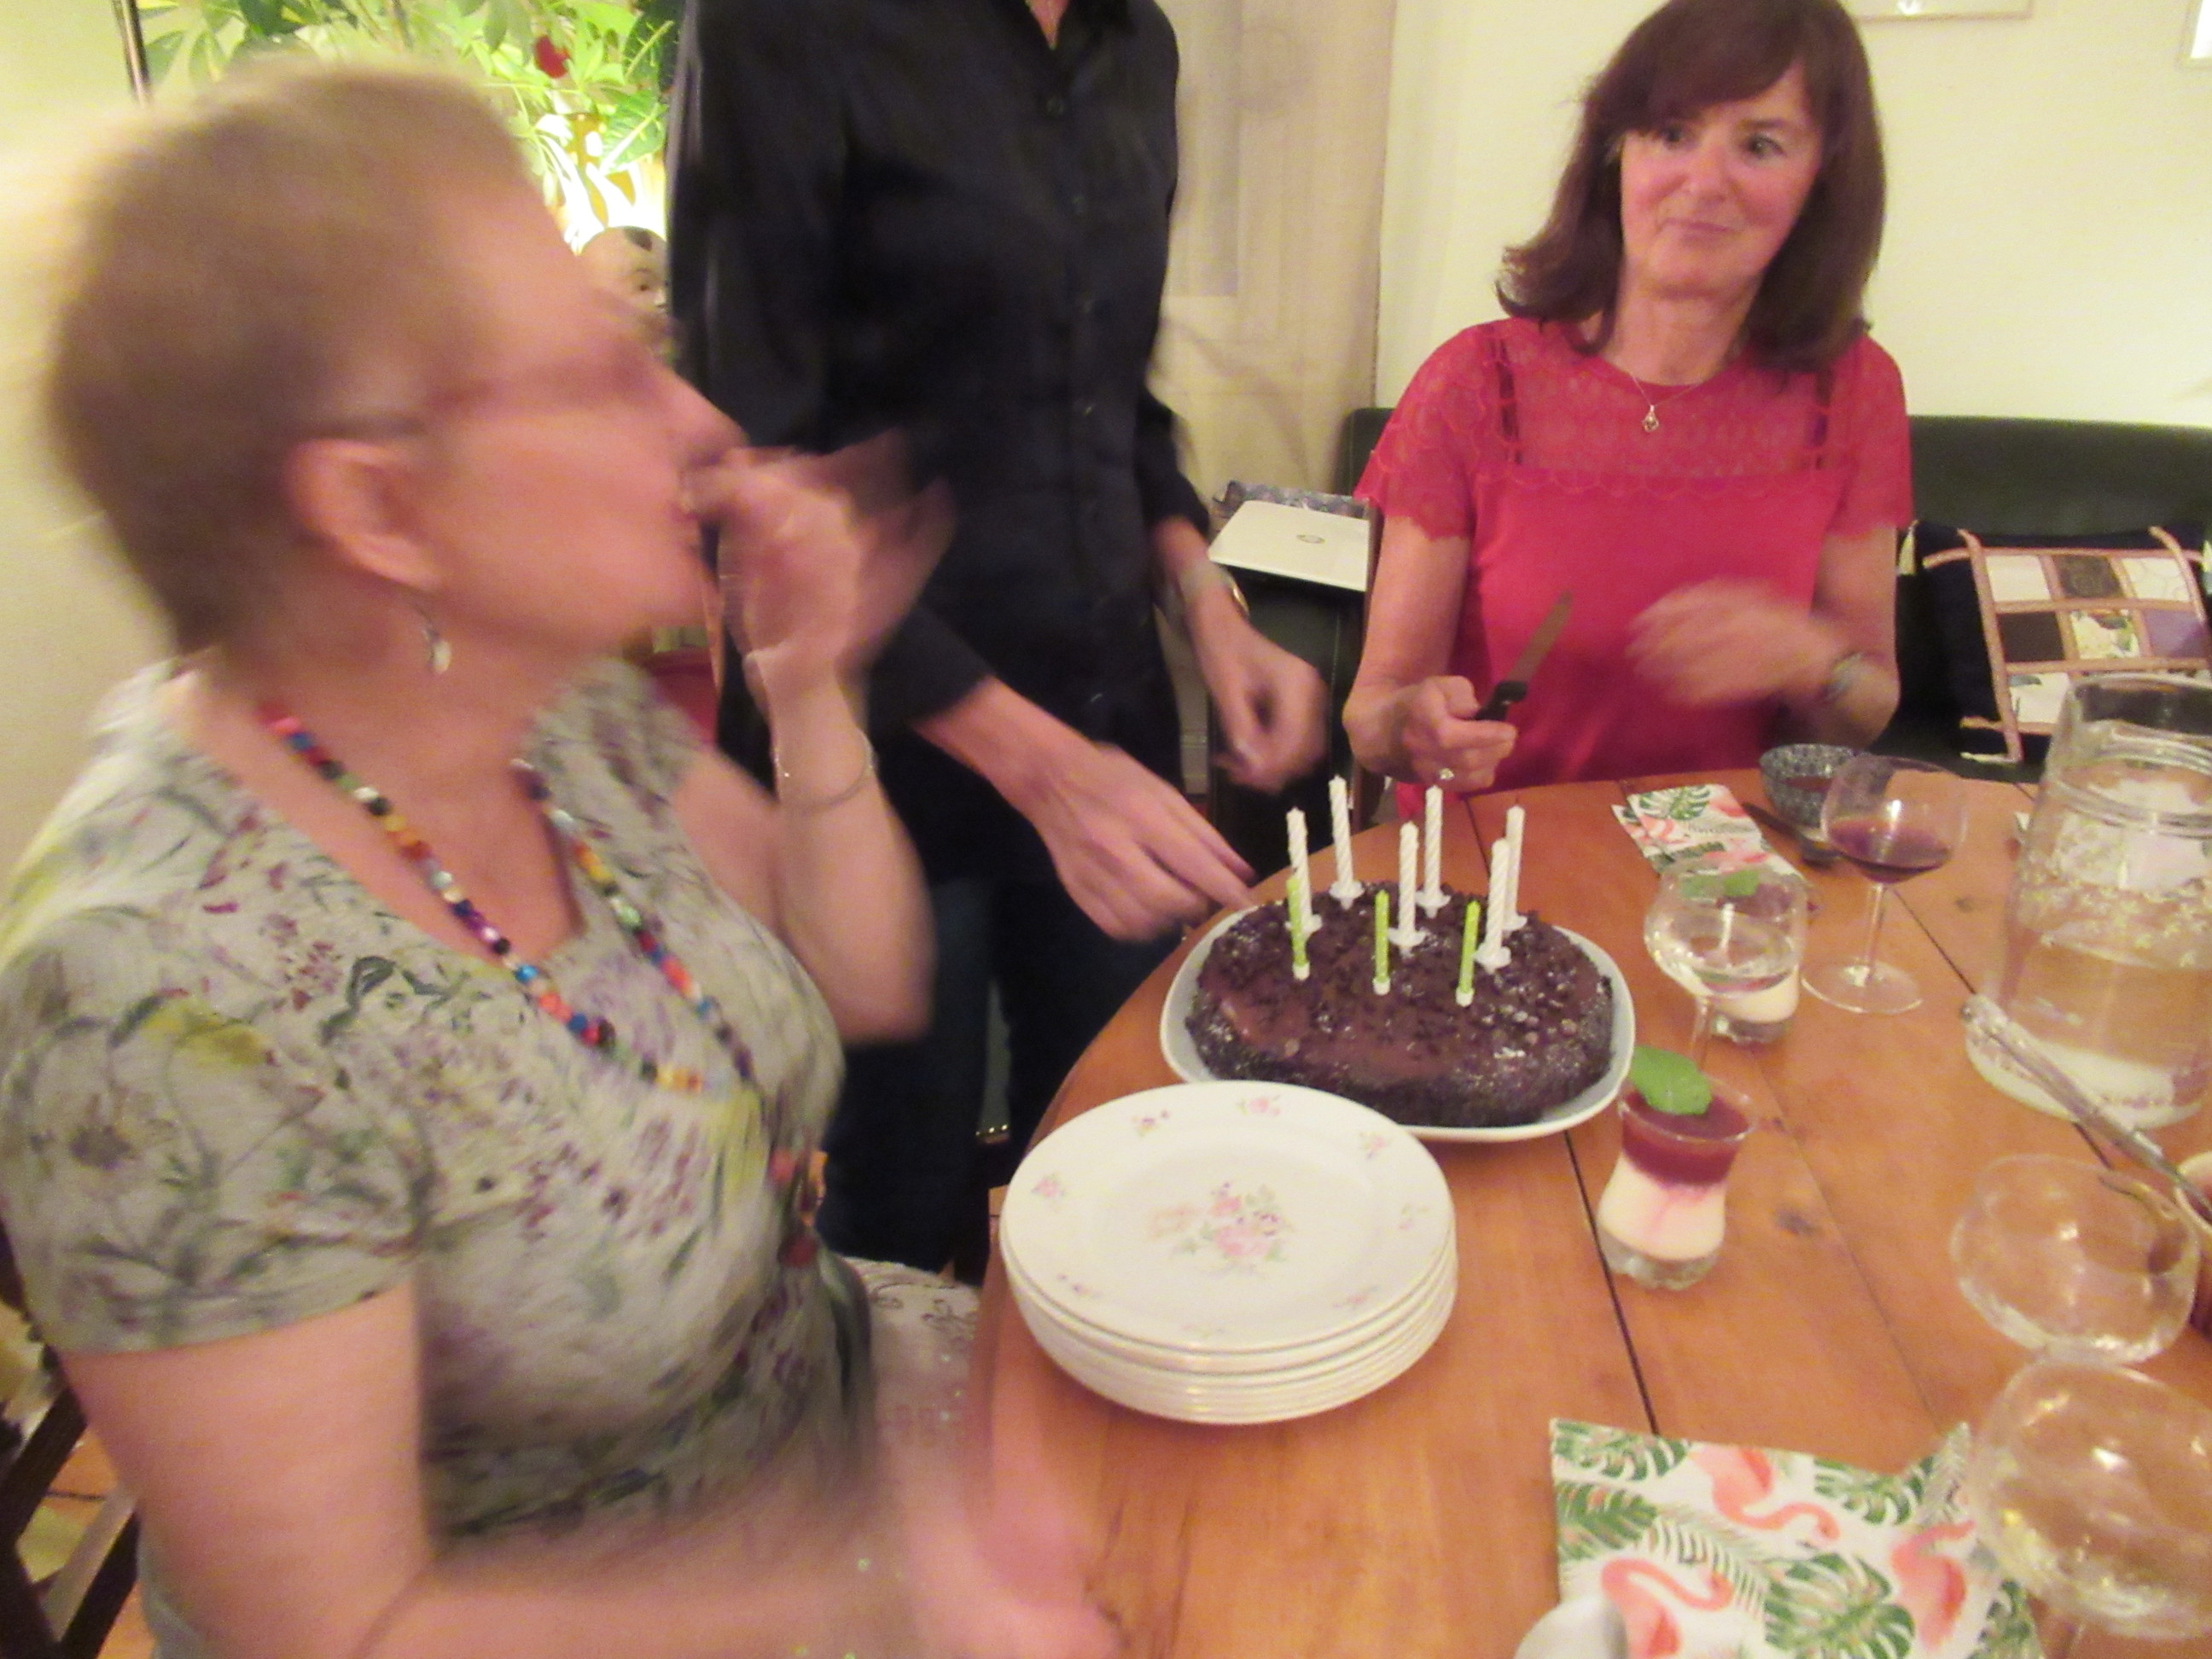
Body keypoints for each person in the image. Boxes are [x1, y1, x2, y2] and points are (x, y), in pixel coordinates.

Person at [0, 63, 1109, 1659]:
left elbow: (865, 977)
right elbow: (344, 1630)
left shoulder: (541, 706)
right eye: (607, 374)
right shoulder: (156, 1000)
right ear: (377, 505)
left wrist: (810, 685)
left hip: (835, 1437)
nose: (705, 424)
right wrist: (884, 1587)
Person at [668, 0, 1329, 1277]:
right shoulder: (780, 27)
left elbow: (1111, 399)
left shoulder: (1136, 45)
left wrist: (1207, 599)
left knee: (1116, 1153)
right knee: (897, 1200)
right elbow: (745, 471)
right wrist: (1034, 763)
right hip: (871, 758)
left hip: (1105, 724)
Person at [1345, 0, 1909, 798]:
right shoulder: (1477, 380)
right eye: (1672, 134)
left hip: (1728, 858)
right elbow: (1372, 715)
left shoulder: (1851, 389)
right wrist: (1414, 726)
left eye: (1759, 145)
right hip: (1497, 851)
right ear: (1616, 155)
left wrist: (1814, 661)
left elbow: (1867, 709)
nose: (1703, 183)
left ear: (1823, 180)